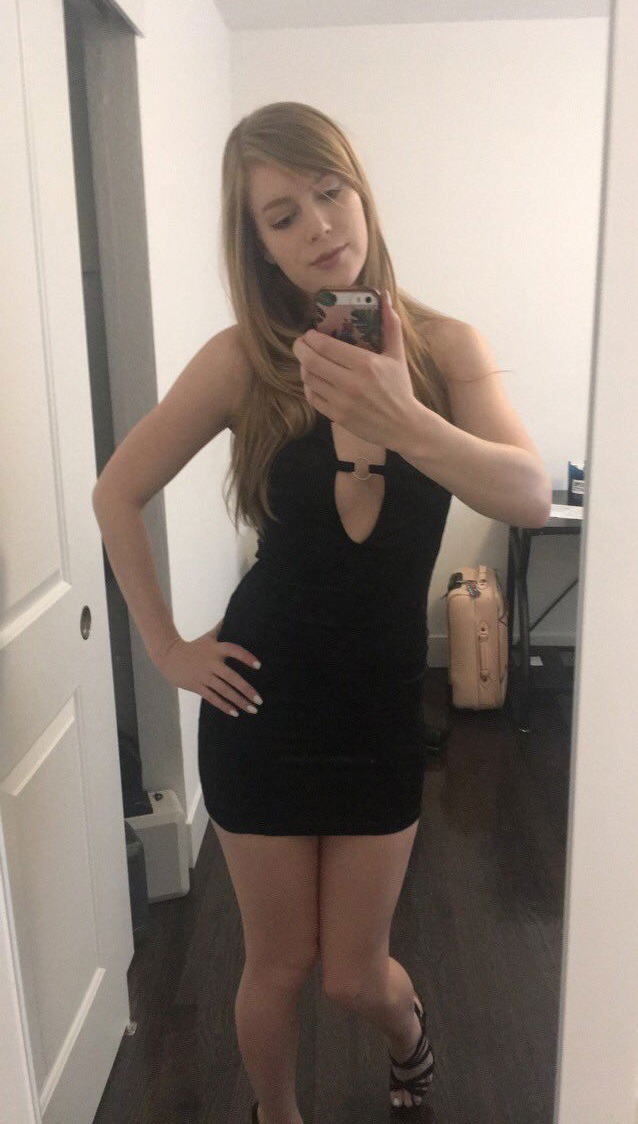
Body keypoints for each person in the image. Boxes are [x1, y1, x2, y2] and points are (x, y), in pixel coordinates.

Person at [92, 101, 548, 1124]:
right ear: (256, 243)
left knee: (353, 974)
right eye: (282, 215)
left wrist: (402, 416)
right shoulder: (242, 360)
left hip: (379, 707)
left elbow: (526, 493)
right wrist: (166, 646)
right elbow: (116, 491)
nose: (319, 226)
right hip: (257, 700)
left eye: (328, 192)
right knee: (276, 962)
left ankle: (409, 1035)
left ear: (361, 190)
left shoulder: (445, 348)